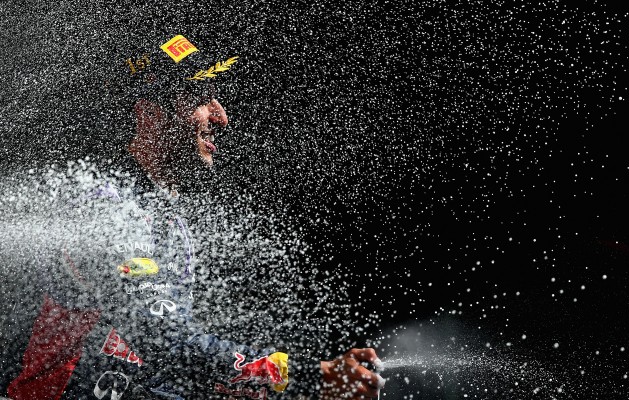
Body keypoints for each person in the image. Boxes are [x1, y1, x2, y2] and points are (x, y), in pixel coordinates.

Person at [1, 33, 384, 399]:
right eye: (201, 98)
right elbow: (162, 341)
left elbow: (163, 373)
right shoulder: (102, 206)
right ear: (149, 113)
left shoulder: (169, 220)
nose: (221, 116)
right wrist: (308, 379)